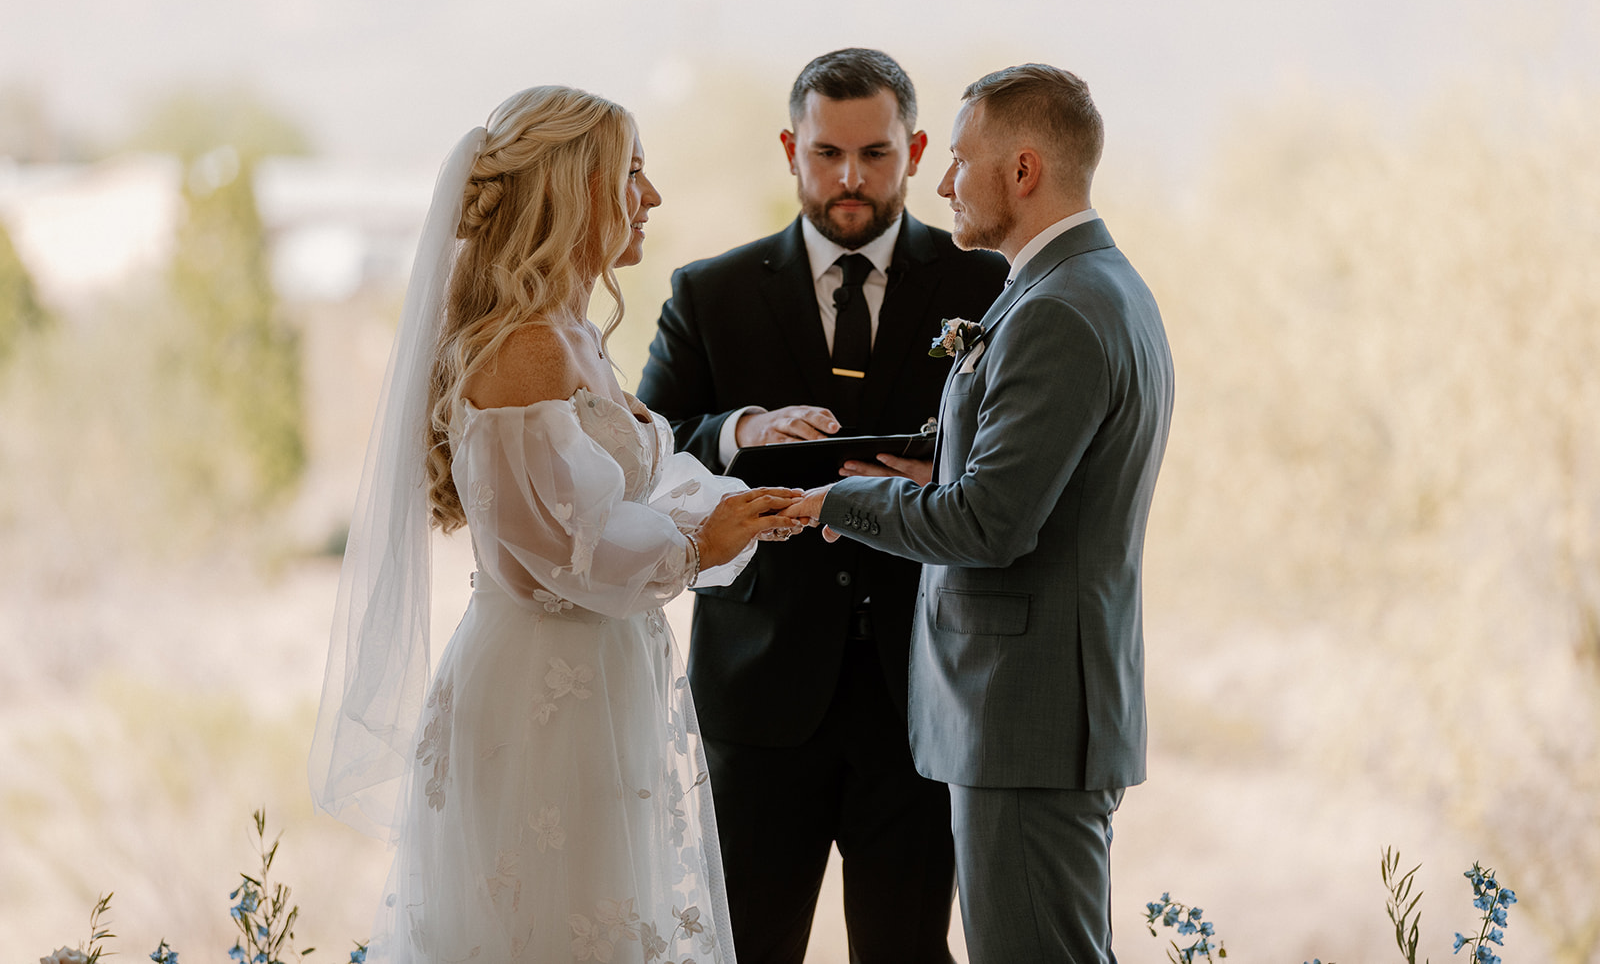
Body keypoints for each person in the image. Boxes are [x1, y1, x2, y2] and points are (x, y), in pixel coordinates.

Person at [309, 86, 805, 963]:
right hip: (546, 691)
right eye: (632, 174)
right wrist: (699, 545)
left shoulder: (574, 334)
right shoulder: (526, 350)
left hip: (602, 674)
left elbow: (617, 497)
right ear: (571, 188)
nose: (651, 197)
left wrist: (741, 509)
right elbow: (560, 554)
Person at [785, 64, 1175, 964]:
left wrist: (837, 501)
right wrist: (944, 462)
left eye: (959, 159)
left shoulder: (1059, 309)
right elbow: (1044, 478)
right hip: (1040, 713)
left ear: (1024, 169)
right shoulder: (1093, 284)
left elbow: (989, 525)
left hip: (1027, 717)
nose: (944, 183)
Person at [636, 48, 1007, 963]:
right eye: (826, 153)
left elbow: (1016, 454)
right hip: (757, 696)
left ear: (914, 151)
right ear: (788, 149)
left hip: (922, 688)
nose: (849, 178)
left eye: (874, 154)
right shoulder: (710, 292)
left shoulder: (985, 285)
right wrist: (741, 430)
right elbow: (646, 447)